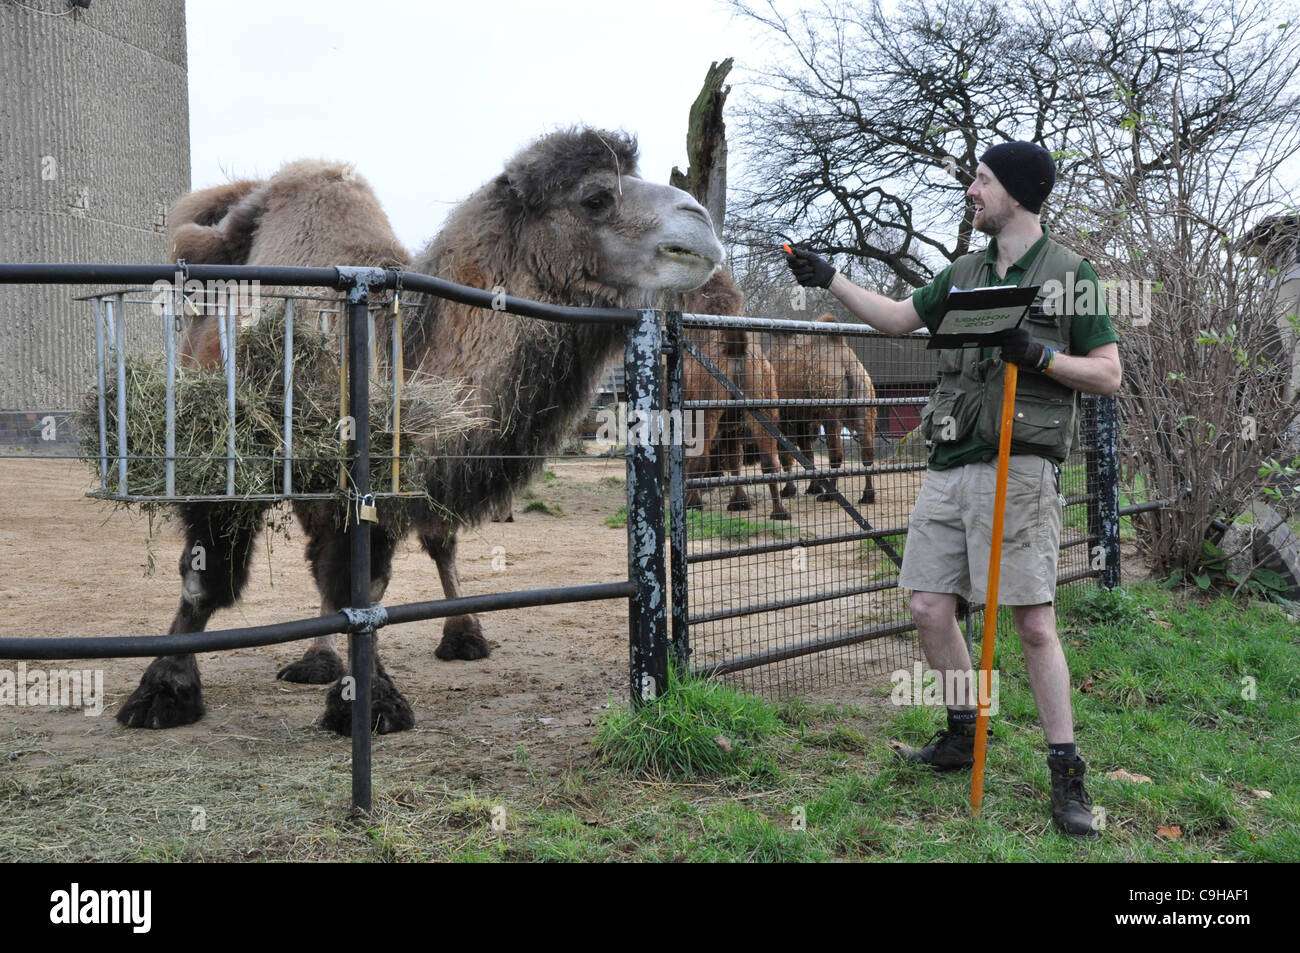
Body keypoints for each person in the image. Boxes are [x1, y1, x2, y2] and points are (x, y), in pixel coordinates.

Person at [784, 141, 1121, 837]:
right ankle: (964, 733)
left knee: (1032, 622)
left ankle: (1067, 777)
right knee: (930, 605)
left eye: (983, 179)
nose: (972, 189)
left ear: (1019, 194)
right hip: (949, 463)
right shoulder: (965, 272)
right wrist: (831, 278)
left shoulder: (1070, 274)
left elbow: (1109, 372)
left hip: (1020, 469)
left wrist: (1042, 356)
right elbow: (898, 319)